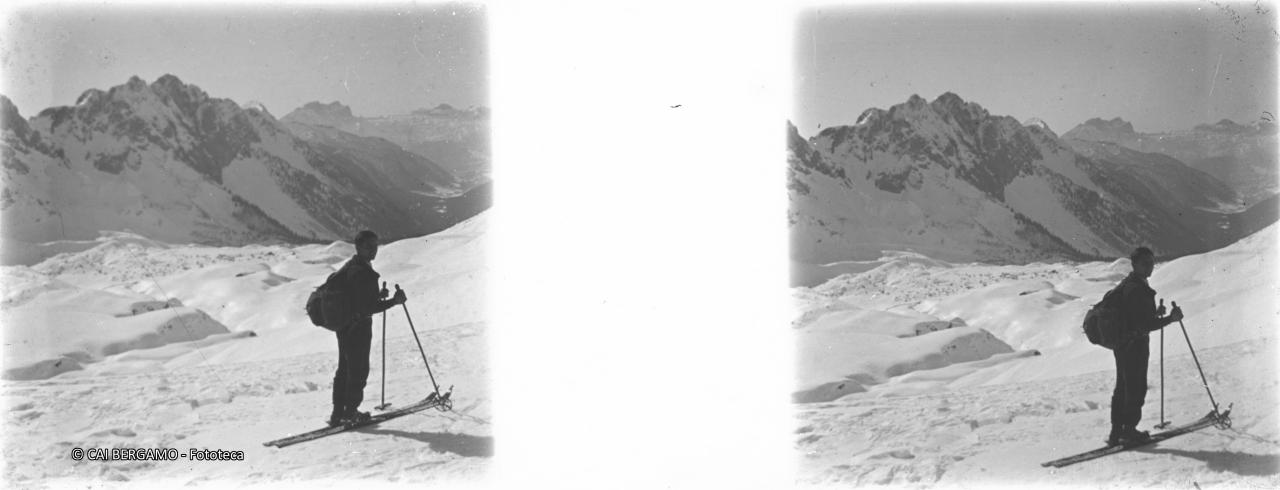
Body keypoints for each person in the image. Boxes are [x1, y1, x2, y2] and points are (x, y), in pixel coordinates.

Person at [329, 230, 407, 426]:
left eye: (375, 245)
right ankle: (350, 412)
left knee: (345, 369)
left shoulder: (351, 267)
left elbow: (358, 299)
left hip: (345, 326)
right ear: (359, 247)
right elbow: (367, 307)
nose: (374, 250)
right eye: (369, 246)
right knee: (358, 370)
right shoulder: (362, 272)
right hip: (358, 328)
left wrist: (377, 296)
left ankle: (338, 413)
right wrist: (393, 302)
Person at [1108, 246, 1183, 445]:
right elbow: (1144, 324)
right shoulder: (1136, 289)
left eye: (1151, 262)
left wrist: (1155, 313)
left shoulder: (1130, 284)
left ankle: (1117, 431)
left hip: (1123, 344)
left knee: (1123, 387)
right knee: (1135, 387)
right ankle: (1129, 431)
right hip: (1135, 345)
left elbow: (1136, 317)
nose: (1150, 266)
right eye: (1145, 263)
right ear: (1135, 265)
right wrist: (1170, 319)